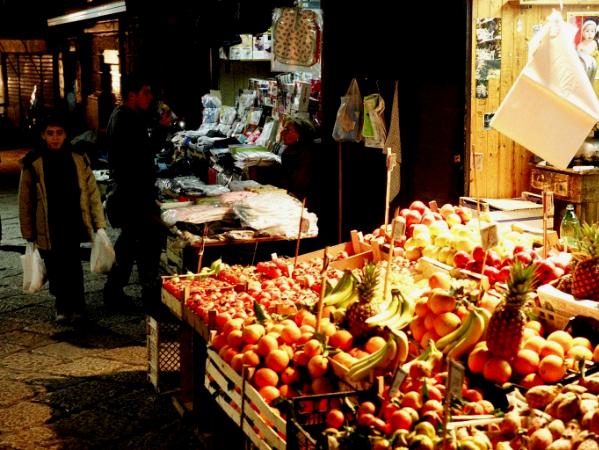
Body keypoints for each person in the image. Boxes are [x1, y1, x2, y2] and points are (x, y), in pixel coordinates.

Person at [18, 113, 106, 325]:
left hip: (73, 219)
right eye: (50, 133)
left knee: (73, 265)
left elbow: (92, 192)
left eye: (59, 133)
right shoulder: (33, 162)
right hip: (48, 224)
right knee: (55, 267)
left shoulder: (77, 157)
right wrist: (28, 233)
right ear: (43, 135)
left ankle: (78, 306)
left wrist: (98, 224)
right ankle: (62, 305)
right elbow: (25, 200)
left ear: (66, 134)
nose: (55, 138)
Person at [103, 73, 165, 313]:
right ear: (132, 94)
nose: (150, 97)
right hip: (133, 195)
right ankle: (147, 296)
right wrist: (161, 129)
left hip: (130, 192)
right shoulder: (127, 119)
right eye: (146, 92)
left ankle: (115, 291)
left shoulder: (123, 116)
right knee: (145, 244)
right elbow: (143, 154)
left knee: (130, 244)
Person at [279, 115, 318, 203]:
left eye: (287, 130)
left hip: (304, 201)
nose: (282, 133)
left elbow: (299, 186)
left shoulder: (306, 154)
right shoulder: (289, 151)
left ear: (300, 134)